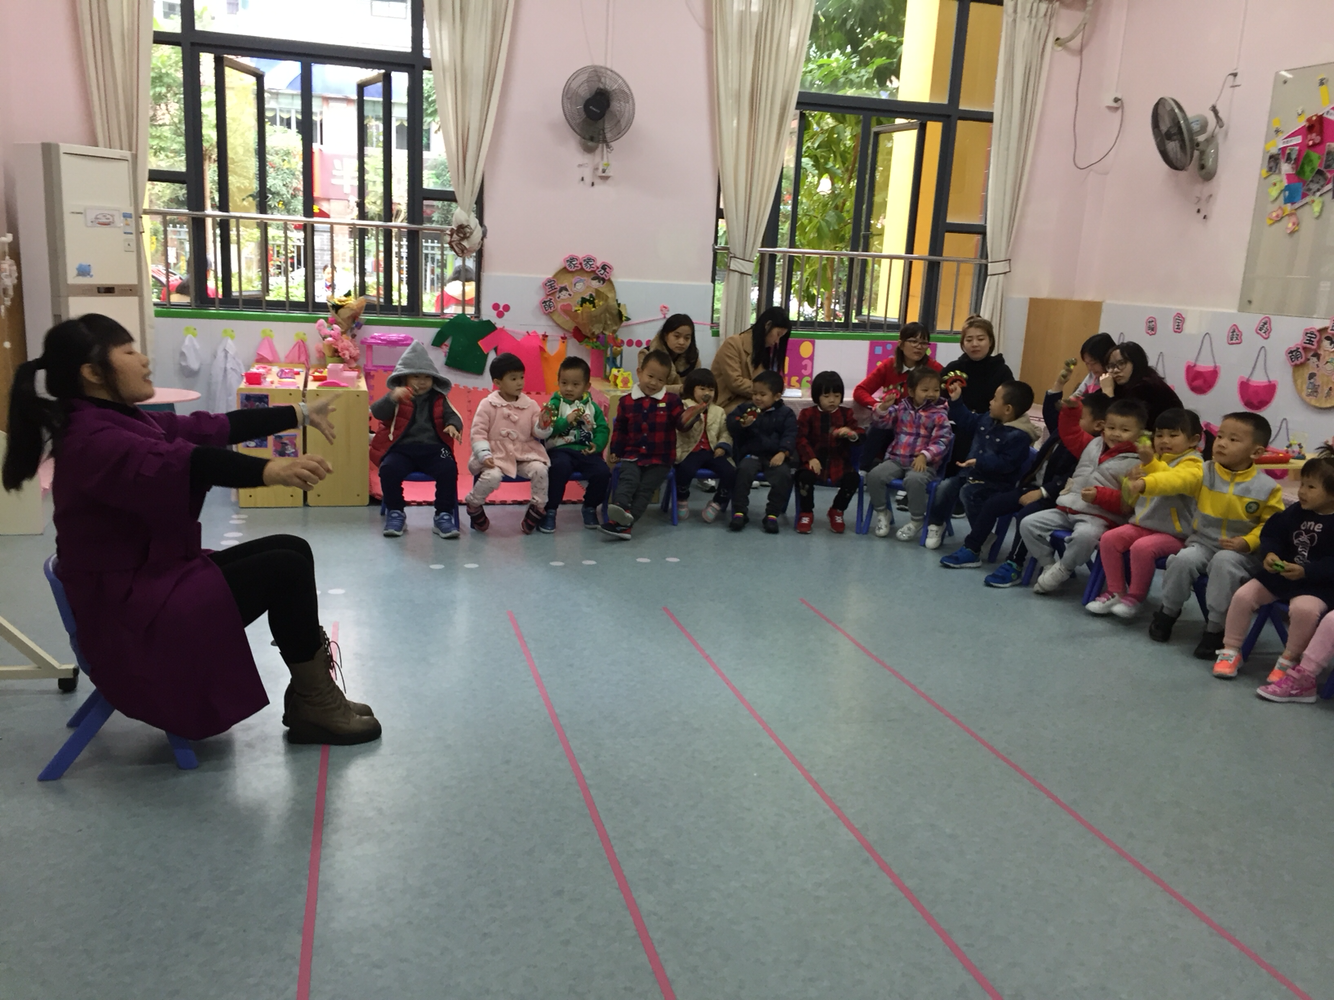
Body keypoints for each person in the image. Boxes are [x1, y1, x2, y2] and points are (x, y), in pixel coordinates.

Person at [1, 314, 379, 745]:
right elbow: (185, 462)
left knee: (291, 550)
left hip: (147, 586)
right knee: (284, 569)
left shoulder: (116, 419)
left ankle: (312, 694)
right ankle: (315, 702)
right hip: (133, 620)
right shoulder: (93, 438)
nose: (144, 360)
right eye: (129, 351)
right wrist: (270, 470)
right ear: (93, 373)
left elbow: (207, 428)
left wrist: (299, 412)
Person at [1129, 411, 1285, 658]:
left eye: (1233, 439)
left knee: (1224, 563)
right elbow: (1175, 479)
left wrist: (1247, 542)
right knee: (1182, 560)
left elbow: (1272, 527)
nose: (1221, 443)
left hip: (1240, 553)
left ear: (1256, 452)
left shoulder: (1267, 488)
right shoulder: (1204, 471)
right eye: (1220, 436)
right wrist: (1146, 483)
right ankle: (1168, 612)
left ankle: (1215, 628)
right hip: (1203, 543)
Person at [944, 365, 1090, 573]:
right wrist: (1059, 384)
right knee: (988, 503)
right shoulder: (1062, 430)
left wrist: (1042, 492)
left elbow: (1067, 478)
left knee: (1024, 516)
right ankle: (972, 548)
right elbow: (1051, 411)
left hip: (1053, 495)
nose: (1068, 416)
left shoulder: (1087, 446)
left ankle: (1015, 563)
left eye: (1077, 415)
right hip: (1030, 487)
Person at [1216, 457, 1334, 687]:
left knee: (1304, 610)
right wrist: (1270, 553)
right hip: (1282, 576)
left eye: (1311, 487)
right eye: (1302, 484)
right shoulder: (1295, 512)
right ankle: (1230, 649)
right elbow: (1272, 534)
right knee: (1243, 596)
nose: (1302, 491)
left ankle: (1289, 659)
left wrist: (1307, 571)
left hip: (1317, 585)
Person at [1086, 408, 1202, 618]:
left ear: (1194, 440)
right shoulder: (1153, 460)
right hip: (1142, 525)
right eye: (1159, 435)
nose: (1164, 440)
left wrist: (1148, 469)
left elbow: (1173, 481)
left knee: (1142, 548)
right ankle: (1116, 591)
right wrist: (1129, 482)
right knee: (1109, 539)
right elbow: (1131, 500)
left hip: (1176, 534)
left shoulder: (1194, 464)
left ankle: (1135, 597)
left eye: (1173, 435)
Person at [1024, 397, 1147, 594]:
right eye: (1111, 427)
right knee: (1028, 523)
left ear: (1140, 433)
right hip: (1068, 507)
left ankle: (1064, 568)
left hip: (1100, 517)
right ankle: (1049, 565)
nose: (1116, 434)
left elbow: (1128, 505)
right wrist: (1072, 411)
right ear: (1103, 426)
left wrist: (1099, 496)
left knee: (1085, 536)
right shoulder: (1093, 443)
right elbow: (1070, 432)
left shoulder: (1138, 463)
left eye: (1125, 430)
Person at [924, 380, 1038, 550]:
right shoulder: (987, 418)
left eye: (995, 399)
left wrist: (980, 462)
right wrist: (956, 400)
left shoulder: (1020, 436)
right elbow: (968, 420)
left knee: (969, 493)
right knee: (945, 487)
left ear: (1007, 409)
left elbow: (1007, 464)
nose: (990, 402)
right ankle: (936, 524)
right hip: (970, 475)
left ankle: (981, 534)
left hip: (996, 484)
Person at [369, 341, 463, 540]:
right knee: (388, 469)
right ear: (405, 377)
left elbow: (453, 415)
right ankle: (396, 512)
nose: (422, 382)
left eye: (427, 377)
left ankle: (443, 515)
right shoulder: (398, 396)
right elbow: (377, 412)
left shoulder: (439, 398)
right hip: (401, 448)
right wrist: (392, 397)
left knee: (448, 467)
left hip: (435, 448)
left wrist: (453, 426)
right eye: (416, 377)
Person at [464, 352, 553, 535]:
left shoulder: (530, 404)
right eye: (513, 379)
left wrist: (543, 425)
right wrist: (484, 454)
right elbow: (478, 433)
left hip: (524, 454)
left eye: (521, 377)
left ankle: (537, 507)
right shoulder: (487, 404)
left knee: (540, 469)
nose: (520, 382)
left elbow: (537, 432)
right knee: (492, 476)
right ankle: (474, 504)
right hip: (495, 456)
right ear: (498, 382)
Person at [602, 350, 686, 540]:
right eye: (650, 376)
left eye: (660, 380)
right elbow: (620, 429)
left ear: (666, 382)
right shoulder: (626, 401)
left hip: (660, 459)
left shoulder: (672, 401)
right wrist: (615, 450)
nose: (654, 383)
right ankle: (620, 509)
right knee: (628, 480)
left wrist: (691, 416)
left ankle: (626, 524)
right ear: (639, 372)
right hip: (633, 454)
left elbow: (682, 424)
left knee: (645, 489)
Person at [864, 367, 952, 541]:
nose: (931, 394)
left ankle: (917, 519)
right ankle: (882, 512)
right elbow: (881, 423)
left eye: (936, 390)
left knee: (914, 480)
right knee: (874, 476)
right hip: (897, 459)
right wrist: (883, 408)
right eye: (925, 390)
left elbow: (942, 441)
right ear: (911, 391)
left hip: (923, 463)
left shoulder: (940, 415)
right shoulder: (902, 408)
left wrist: (925, 455)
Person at [854, 323, 943, 473]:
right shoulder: (889, 366)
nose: (919, 347)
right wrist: (879, 406)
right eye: (913, 341)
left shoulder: (934, 369)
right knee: (878, 426)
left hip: (923, 424)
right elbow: (860, 391)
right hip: (896, 421)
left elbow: (945, 397)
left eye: (923, 343)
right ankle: (863, 470)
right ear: (901, 344)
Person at [541, 355, 611, 532]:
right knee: (558, 468)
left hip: (586, 451)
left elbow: (602, 429)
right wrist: (565, 421)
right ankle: (550, 510)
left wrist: (597, 444)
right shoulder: (554, 405)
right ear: (558, 382)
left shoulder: (592, 407)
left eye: (575, 384)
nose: (569, 388)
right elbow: (547, 428)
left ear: (587, 386)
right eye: (564, 383)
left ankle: (589, 507)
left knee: (602, 472)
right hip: (561, 450)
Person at [938, 316, 1013, 479]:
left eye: (980, 339)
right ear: (963, 343)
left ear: (990, 341)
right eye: (969, 339)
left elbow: (1009, 406)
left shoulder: (1002, 371)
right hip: (954, 428)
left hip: (989, 429)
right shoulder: (953, 369)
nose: (974, 344)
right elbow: (939, 401)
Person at [727, 370, 798, 534]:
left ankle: (772, 514)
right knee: (743, 471)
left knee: (783, 475)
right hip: (751, 453)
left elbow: (790, 434)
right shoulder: (746, 408)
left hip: (775, 455)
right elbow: (731, 421)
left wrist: (783, 452)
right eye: (754, 393)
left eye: (762, 394)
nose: (757, 398)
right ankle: (740, 512)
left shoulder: (786, 414)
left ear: (777, 396)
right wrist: (741, 424)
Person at [795, 370, 862, 535]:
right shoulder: (807, 414)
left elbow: (859, 433)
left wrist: (852, 434)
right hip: (814, 460)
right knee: (804, 477)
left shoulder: (846, 414)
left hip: (839, 461)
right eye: (826, 396)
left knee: (853, 479)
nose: (832, 400)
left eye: (837, 396)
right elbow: (800, 438)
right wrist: (810, 458)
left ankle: (837, 510)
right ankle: (806, 512)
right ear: (817, 396)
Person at [673, 368, 736, 523]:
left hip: (712, 451)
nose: (707, 393)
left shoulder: (718, 411)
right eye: (702, 389)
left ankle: (717, 502)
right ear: (691, 389)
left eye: (711, 389)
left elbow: (725, 432)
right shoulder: (683, 406)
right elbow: (681, 426)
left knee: (730, 471)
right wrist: (695, 411)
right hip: (689, 451)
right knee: (685, 469)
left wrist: (722, 446)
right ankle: (682, 498)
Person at [711, 307, 792, 413]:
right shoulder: (733, 344)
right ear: (767, 325)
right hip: (727, 406)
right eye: (778, 334)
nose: (777, 341)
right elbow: (735, 382)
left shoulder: (765, 351)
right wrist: (768, 391)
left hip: (752, 404)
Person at [1099, 341, 1183, 426]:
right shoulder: (1122, 383)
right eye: (1111, 366)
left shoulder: (1146, 386)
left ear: (1136, 363)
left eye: (1121, 363)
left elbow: (1126, 422)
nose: (1115, 370)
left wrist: (1108, 393)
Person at [648, 313, 700, 393]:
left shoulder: (693, 358)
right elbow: (648, 386)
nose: (682, 342)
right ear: (665, 336)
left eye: (687, 338)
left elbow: (696, 387)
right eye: (676, 336)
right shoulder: (647, 354)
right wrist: (680, 389)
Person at [1070, 332, 1118, 399]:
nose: (1090, 368)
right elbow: (1077, 395)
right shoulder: (1092, 376)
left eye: (1094, 363)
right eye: (1087, 363)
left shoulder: (1118, 379)